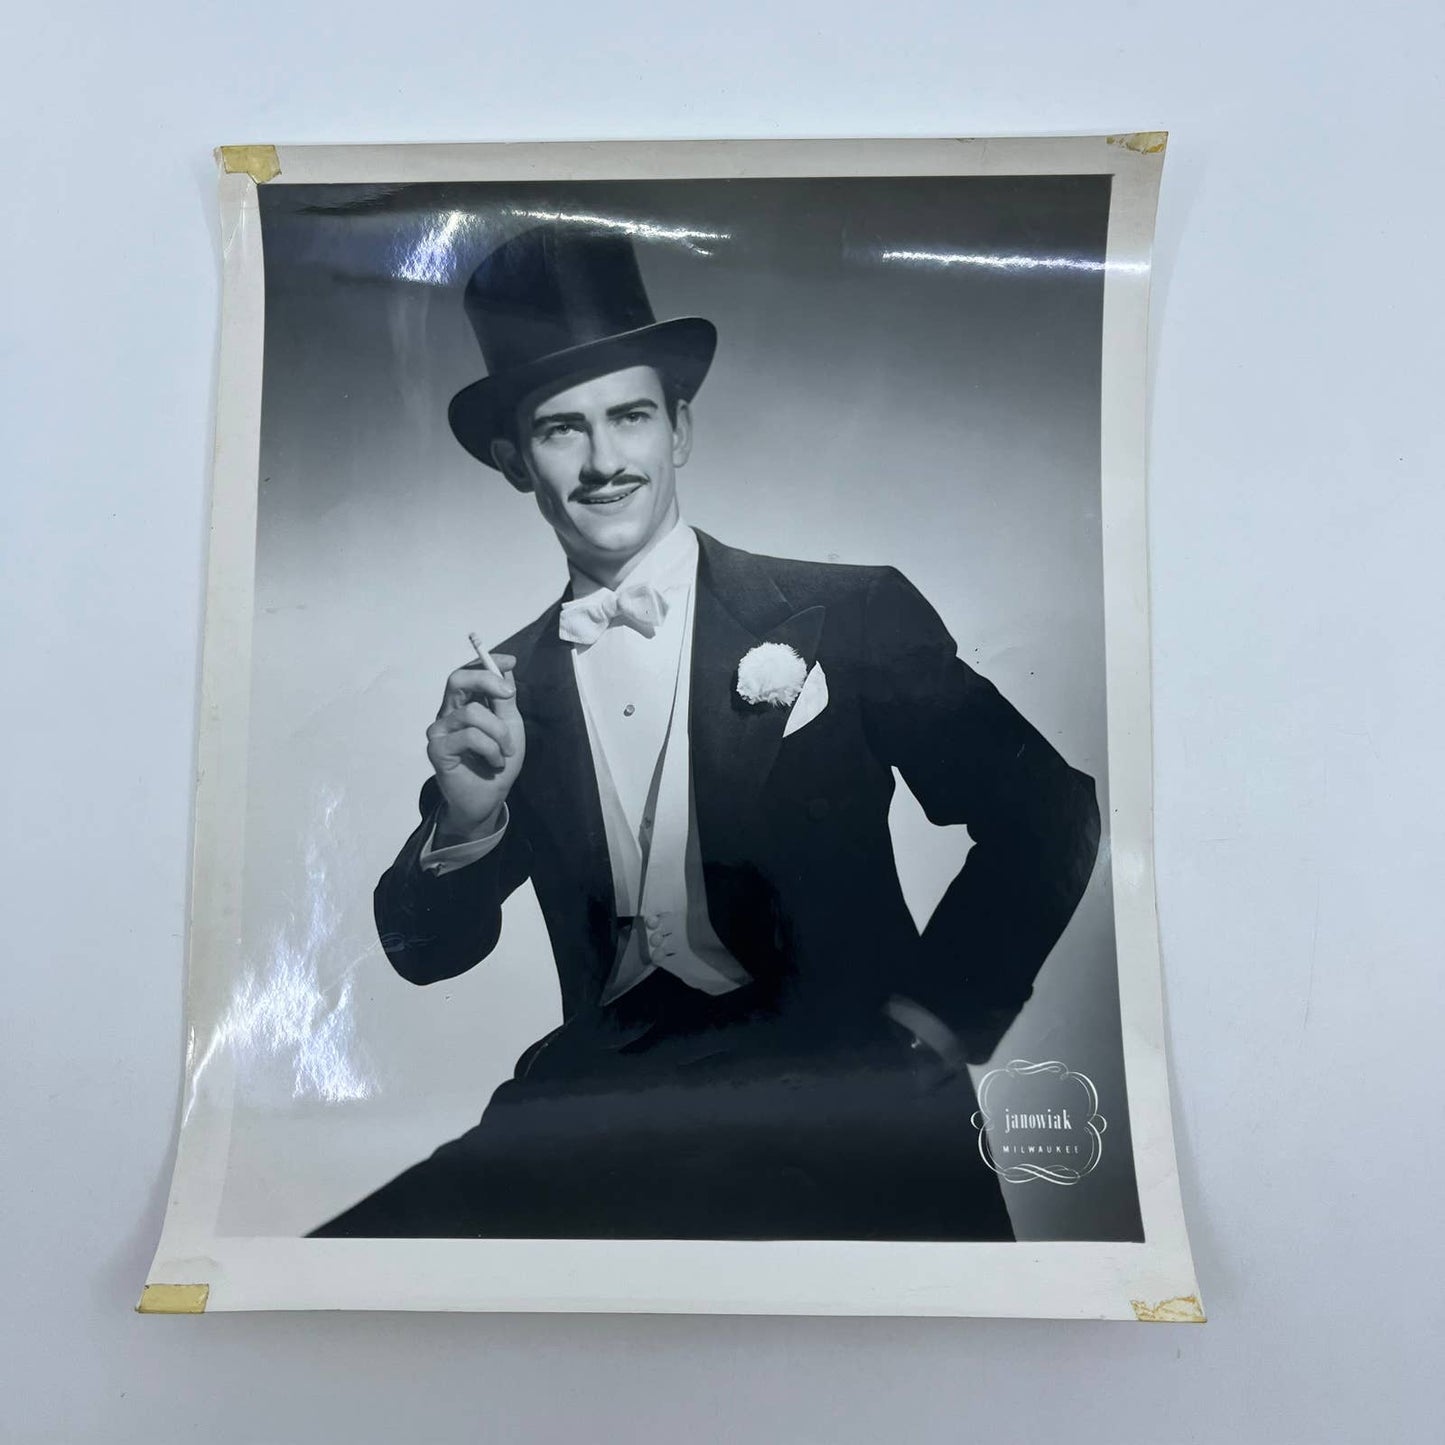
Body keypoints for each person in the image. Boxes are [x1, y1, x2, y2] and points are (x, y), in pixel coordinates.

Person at [312, 223, 1100, 1240]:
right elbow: (424, 951)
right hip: (597, 1106)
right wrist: (465, 822)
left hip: (845, 1099)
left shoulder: (847, 612)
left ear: (678, 429)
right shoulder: (505, 686)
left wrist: (936, 1021)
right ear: (513, 460)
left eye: (629, 415)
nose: (603, 461)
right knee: (340, 1278)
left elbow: (1048, 808)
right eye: (561, 429)